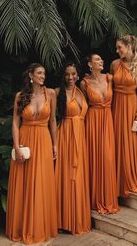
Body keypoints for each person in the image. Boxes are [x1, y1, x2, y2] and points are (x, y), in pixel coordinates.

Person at [6, 63, 58, 244]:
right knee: (25, 183)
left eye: (44, 73)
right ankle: (22, 227)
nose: (43, 76)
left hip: (43, 141)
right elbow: (15, 123)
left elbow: (52, 121)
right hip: (25, 141)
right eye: (39, 73)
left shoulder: (50, 94)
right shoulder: (20, 96)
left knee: (41, 183)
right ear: (31, 75)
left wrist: (55, 145)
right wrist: (17, 147)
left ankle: (39, 227)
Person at [110, 34, 137, 197]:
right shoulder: (114, 64)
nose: (117, 50)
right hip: (115, 106)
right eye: (117, 47)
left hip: (131, 106)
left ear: (129, 47)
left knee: (130, 143)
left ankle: (130, 179)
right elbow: (109, 87)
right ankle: (116, 182)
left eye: (120, 47)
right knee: (116, 141)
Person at [80, 54, 119, 214]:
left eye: (102, 59)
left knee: (108, 158)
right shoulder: (84, 83)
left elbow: (123, 95)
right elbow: (82, 105)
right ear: (90, 64)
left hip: (108, 121)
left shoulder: (110, 78)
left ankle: (108, 199)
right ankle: (95, 199)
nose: (101, 61)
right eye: (97, 60)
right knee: (94, 157)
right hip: (92, 121)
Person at [55, 62, 91, 234]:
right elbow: (50, 119)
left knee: (78, 177)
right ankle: (63, 220)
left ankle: (77, 219)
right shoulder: (56, 93)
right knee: (66, 176)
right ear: (63, 76)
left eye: (73, 74)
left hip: (80, 138)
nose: (70, 78)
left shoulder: (81, 92)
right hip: (65, 137)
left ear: (77, 75)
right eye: (67, 74)